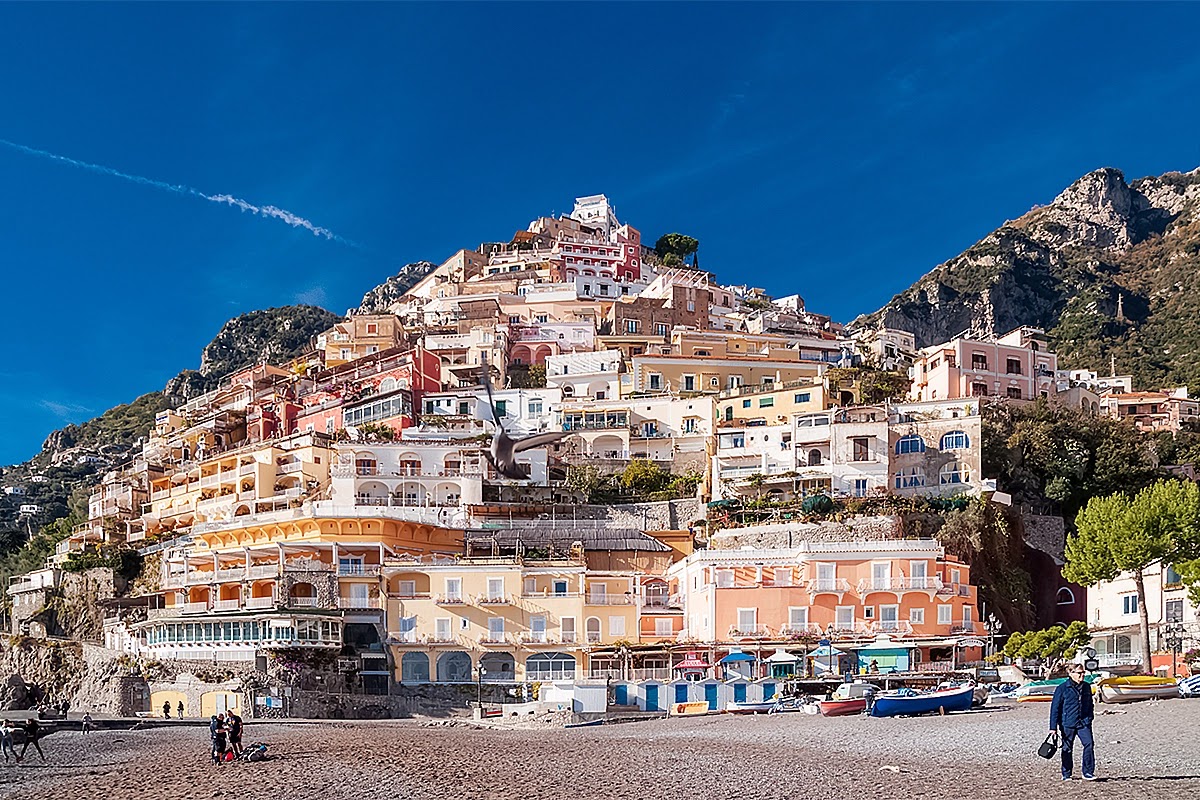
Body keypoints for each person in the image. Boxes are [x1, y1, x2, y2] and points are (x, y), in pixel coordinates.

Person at [1049, 663, 1096, 781]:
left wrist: (1090, 717)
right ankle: (1066, 774)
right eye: (1079, 673)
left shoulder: (1086, 687)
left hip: (1083, 722)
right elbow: (1055, 708)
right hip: (1067, 723)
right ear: (1071, 674)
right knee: (1067, 748)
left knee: (1089, 744)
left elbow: (1090, 704)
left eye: (1083, 672)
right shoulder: (1062, 688)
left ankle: (1088, 772)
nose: (1082, 675)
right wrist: (1053, 727)